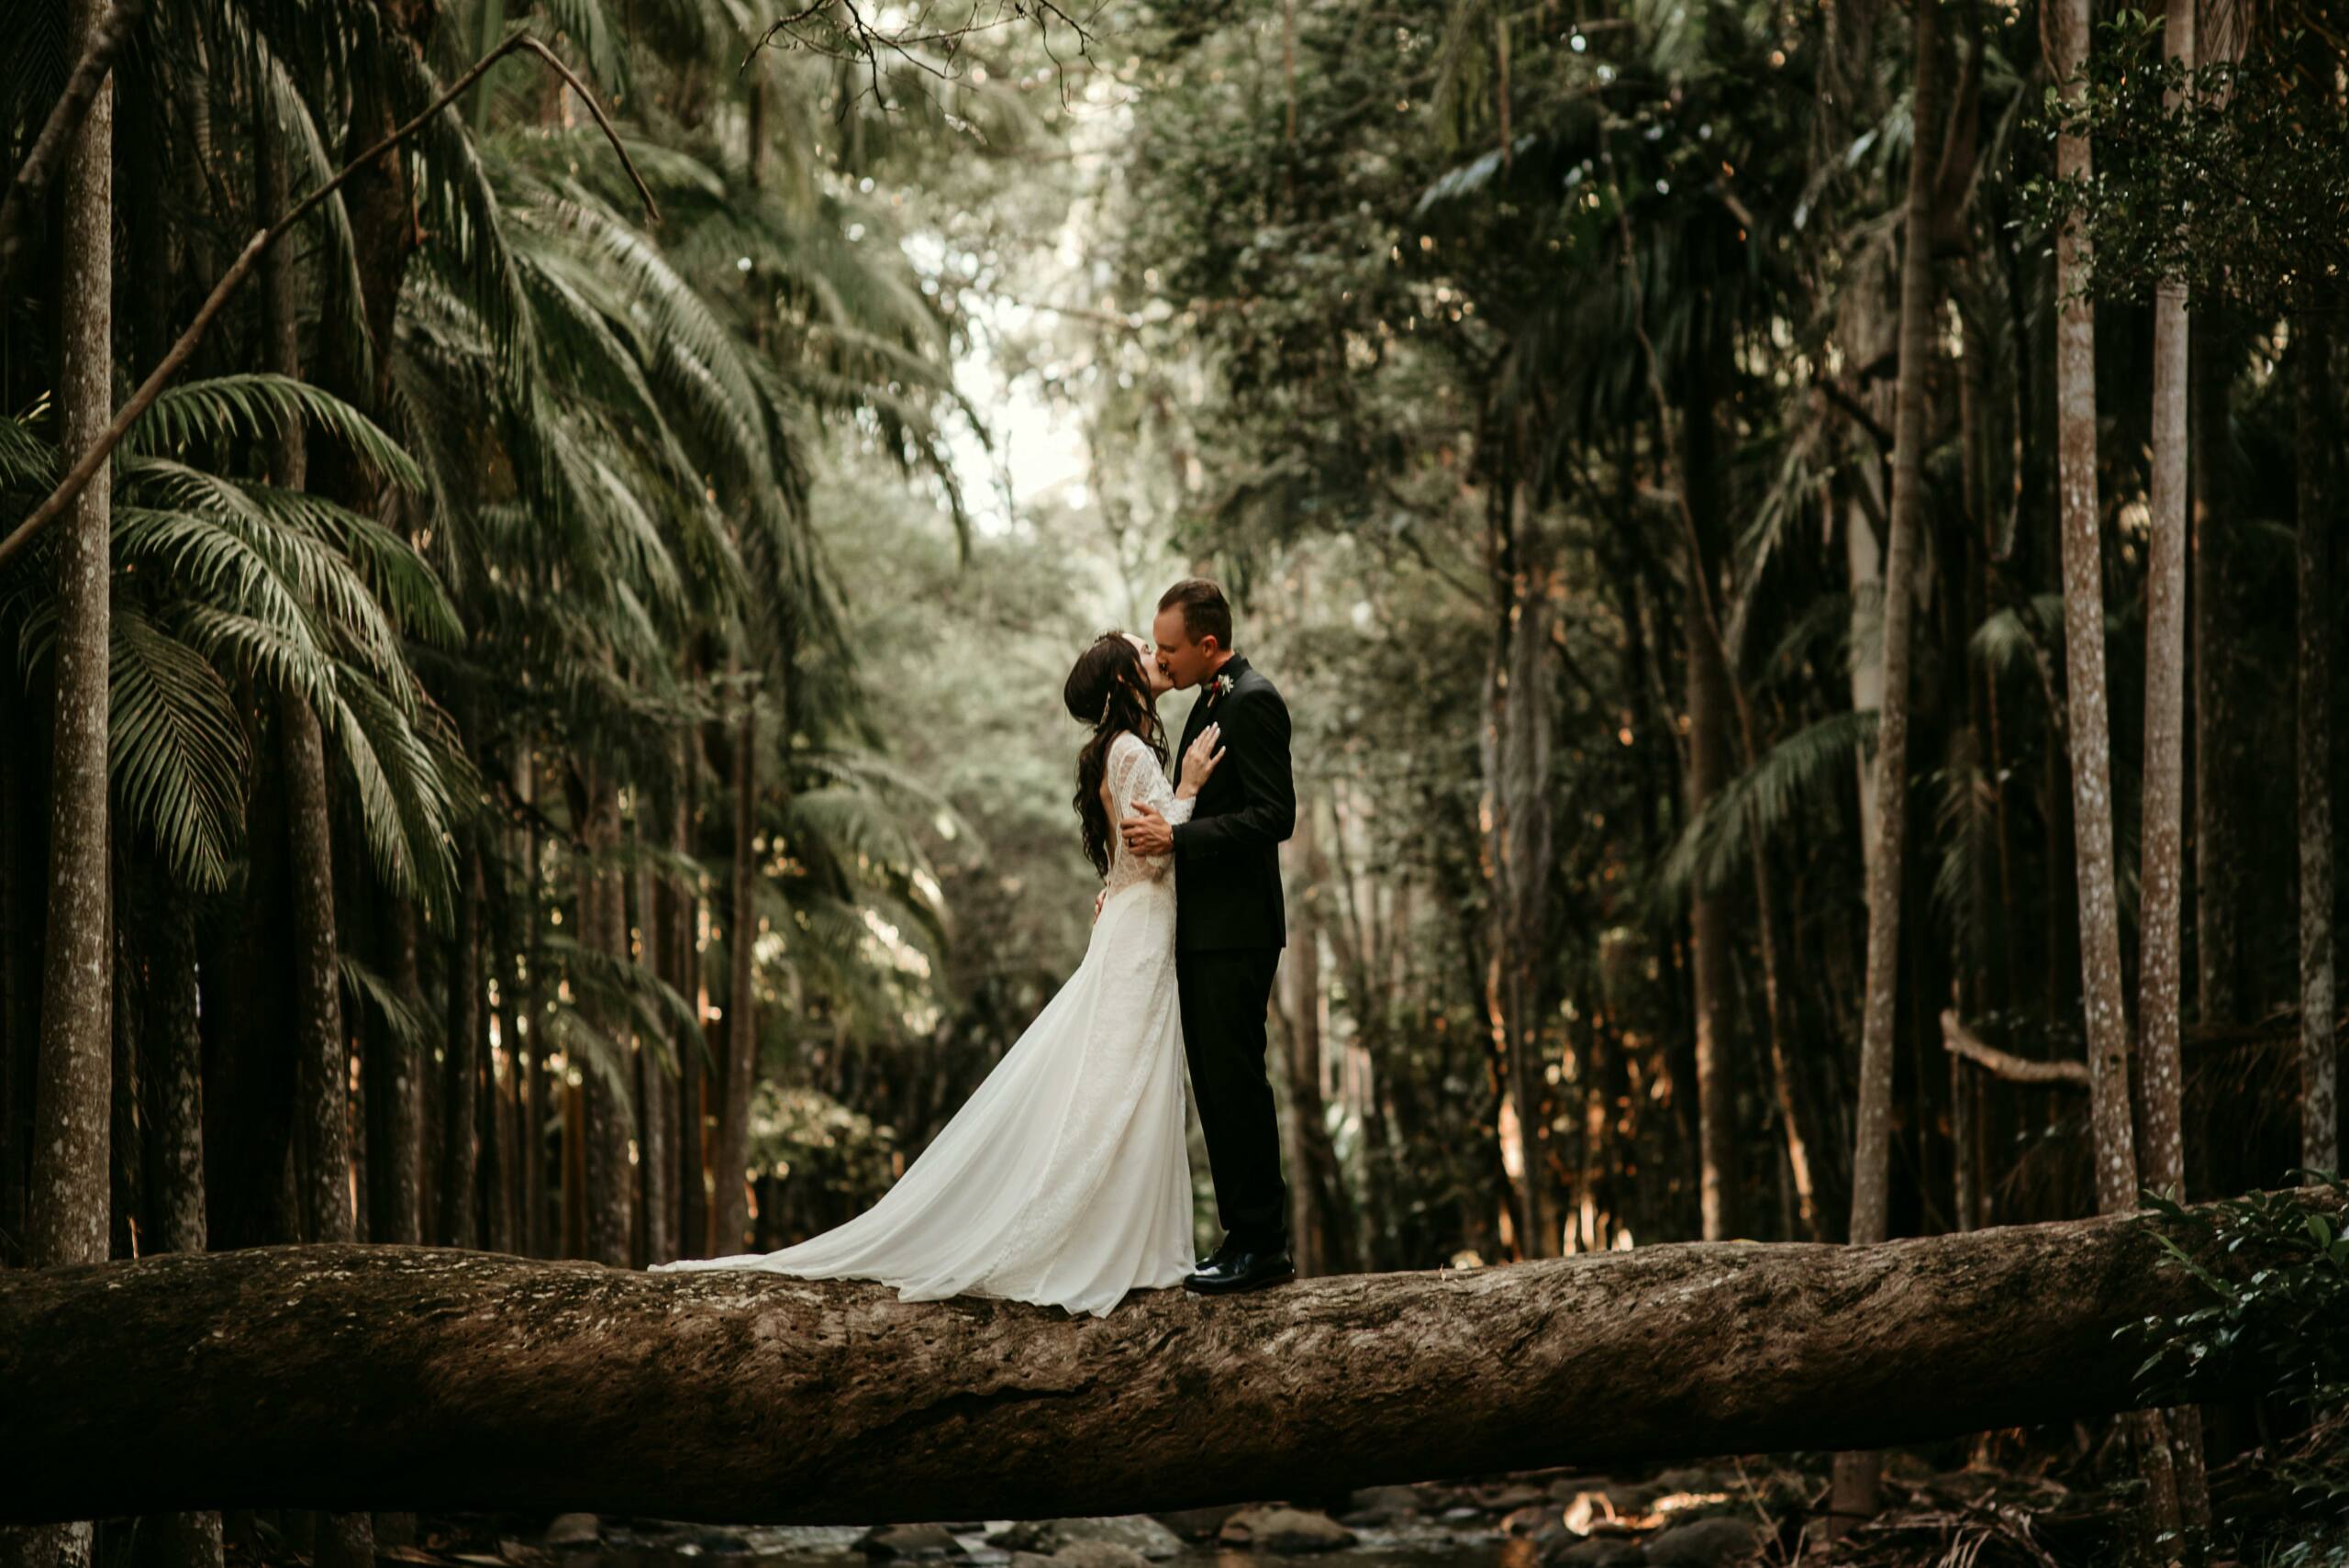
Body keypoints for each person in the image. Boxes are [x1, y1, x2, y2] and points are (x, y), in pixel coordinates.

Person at [651, 630, 1226, 1318]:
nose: (1157, 655)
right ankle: (1105, 1244)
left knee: (1121, 1081)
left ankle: (1122, 1239)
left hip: (1133, 924)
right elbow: (1157, 855)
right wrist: (1189, 787)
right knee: (1119, 1085)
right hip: (1139, 930)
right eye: (1144, 649)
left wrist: (1121, 874)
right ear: (1124, 679)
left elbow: (1130, 856)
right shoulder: (1131, 749)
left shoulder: (1114, 749)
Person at [1119, 577, 1297, 1295]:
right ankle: (1242, 1236)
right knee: (1217, 1089)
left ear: (1209, 646)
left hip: (1237, 931)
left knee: (1236, 1083)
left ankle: (1263, 1243)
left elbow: (1273, 815)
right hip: (1205, 930)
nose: (1162, 658)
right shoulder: (1206, 702)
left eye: (1169, 647)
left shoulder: (1254, 702)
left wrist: (1179, 835)